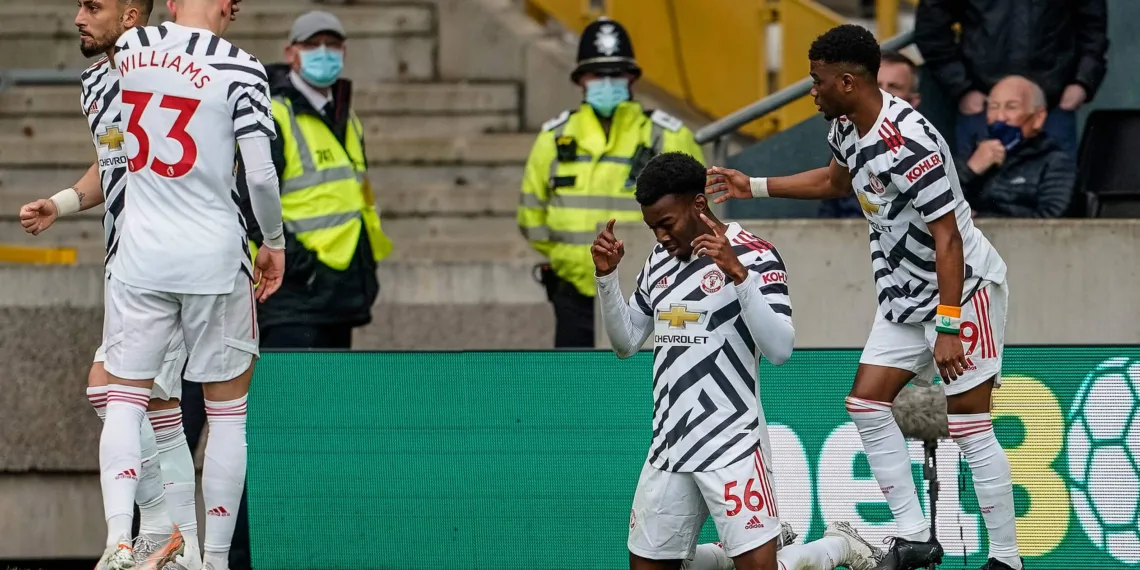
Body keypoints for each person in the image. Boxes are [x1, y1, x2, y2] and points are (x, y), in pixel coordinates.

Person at [705, 25, 1021, 570]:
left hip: (963, 292)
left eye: (818, 81)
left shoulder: (911, 141)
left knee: (970, 427)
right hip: (903, 297)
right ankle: (916, 535)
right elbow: (834, 181)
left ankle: (1008, 559)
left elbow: (948, 237)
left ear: (847, 81)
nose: (812, 90)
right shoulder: (848, 127)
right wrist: (751, 185)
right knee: (866, 405)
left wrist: (948, 326)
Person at [595, 152, 882, 570]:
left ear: (698, 205)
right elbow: (626, 343)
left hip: (731, 441)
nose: (659, 237)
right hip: (669, 446)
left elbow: (780, 350)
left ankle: (835, 546)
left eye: (666, 224)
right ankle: (745, 549)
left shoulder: (755, 254)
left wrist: (738, 275)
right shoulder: (658, 262)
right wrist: (606, 278)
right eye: (652, 227)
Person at [18, 1, 218, 568]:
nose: (78, 16)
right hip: (125, 262)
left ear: (131, 15)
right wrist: (61, 203)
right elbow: (110, 162)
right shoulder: (96, 81)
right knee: (157, 407)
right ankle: (184, 547)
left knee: (112, 391)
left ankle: (158, 527)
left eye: (93, 6)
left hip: (169, 262)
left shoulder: (165, 70)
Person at [93, 0, 286, 568]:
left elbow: (108, 144)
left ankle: (120, 541)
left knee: (125, 399)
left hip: (140, 255)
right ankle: (215, 559)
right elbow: (261, 173)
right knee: (226, 416)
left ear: (172, 1)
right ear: (229, 6)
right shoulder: (243, 67)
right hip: (214, 256)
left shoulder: (130, 49)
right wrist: (272, 241)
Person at [518, 16, 705, 348]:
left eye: (615, 74)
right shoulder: (553, 137)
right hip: (573, 291)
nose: (607, 81)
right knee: (576, 387)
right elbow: (531, 219)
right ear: (581, 80)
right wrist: (570, 261)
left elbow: (699, 216)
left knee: (636, 389)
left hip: (650, 290)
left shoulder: (669, 136)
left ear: (632, 77)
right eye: (597, 74)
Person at [914, 0, 1108, 158]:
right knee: (974, 196)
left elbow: (1094, 26)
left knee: (1056, 197)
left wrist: (1082, 84)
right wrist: (962, 89)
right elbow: (931, 28)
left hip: (1052, 105)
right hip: (982, 104)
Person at [819, 51, 921, 219]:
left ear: (914, 101)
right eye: (877, 85)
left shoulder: (926, 146)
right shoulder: (846, 140)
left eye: (894, 87)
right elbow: (828, 214)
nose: (884, 95)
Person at [958, 76, 1075, 218]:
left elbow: (1051, 219)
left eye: (1011, 107)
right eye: (993, 107)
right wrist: (971, 169)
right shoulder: (975, 153)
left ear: (1038, 118)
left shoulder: (1055, 161)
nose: (1000, 117)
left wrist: (982, 219)